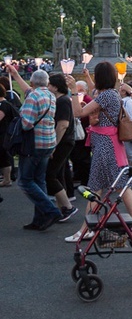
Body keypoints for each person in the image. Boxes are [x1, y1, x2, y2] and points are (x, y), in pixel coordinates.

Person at [64, 62, 132, 242]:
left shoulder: (106, 95)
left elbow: (78, 112)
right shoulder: (112, 94)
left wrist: (73, 91)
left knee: (113, 186)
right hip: (107, 144)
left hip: (105, 146)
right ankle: (88, 228)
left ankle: (89, 228)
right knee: (102, 188)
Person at [7, 66, 61, 230]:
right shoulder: (51, 96)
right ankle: (40, 218)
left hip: (34, 144)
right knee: (39, 180)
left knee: (25, 181)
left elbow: (27, 123)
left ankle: (51, 210)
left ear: (32, 82)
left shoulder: (33, 96)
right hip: (48, 142)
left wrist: (18, 118)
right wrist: (15, 75)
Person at [45, 73, 78, 222]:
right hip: (65, 141)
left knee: (50, 174)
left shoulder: (62, 101)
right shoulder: (62, 100)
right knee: (58, 173)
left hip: (63, 142)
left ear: (55, 87)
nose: (47, 87)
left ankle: (67, 206)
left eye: (49, 85)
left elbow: (63, 124)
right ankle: (61, 207)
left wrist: (54, 144)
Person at [0, 83, 17, 189]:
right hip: (4, 134)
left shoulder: (4, 105)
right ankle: (6, 178)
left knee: (4, 157)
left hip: (3, 134)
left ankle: (7, 179)